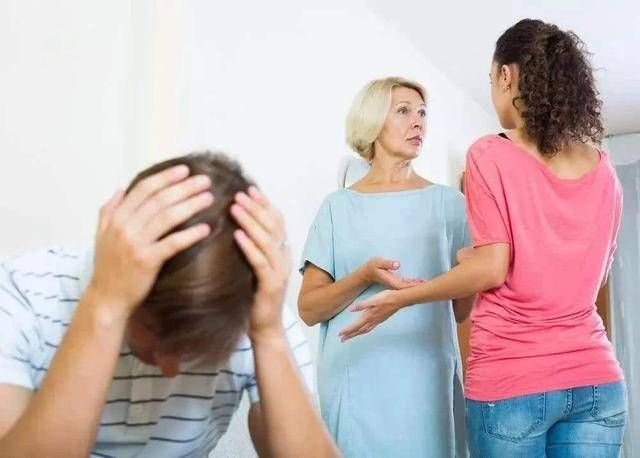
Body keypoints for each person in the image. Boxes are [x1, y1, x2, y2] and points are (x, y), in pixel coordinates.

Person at [340, 20, 627, 457]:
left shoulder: (491, 153)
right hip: (597, 379)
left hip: (514, 380)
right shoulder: (604, 171)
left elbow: (492, 269)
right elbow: (592, 274)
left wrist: (402, 297)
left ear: (506, 76)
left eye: (492, 79)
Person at [0, 152, 339, 457]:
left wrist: (268, 335)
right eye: (152, 330)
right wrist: (104, 306)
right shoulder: (22, 289)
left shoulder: (254, 307)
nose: (170, 368)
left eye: (195, 349)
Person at [298, 77, 473, 457]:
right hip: (355, 380)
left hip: (427, 382)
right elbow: (309, 309)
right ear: (373, 121)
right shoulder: (337, 208)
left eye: (422, 112)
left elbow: (461, 311)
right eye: (404, 111)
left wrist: (473, 272)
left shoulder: (451, 205)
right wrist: (363, 276)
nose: (418, 122)